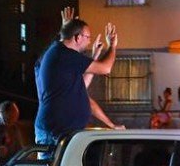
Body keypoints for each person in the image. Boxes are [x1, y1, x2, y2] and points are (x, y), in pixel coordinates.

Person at [34, 13, 123, 144]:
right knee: (53, 165)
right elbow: (106, 68)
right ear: (77, 37)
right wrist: (112, 46)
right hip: (54, 134)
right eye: (88, 37)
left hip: (59, 132)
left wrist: (111, 125)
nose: (89, 41)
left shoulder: (64, 56)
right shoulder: (64, 55)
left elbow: (84, 92)